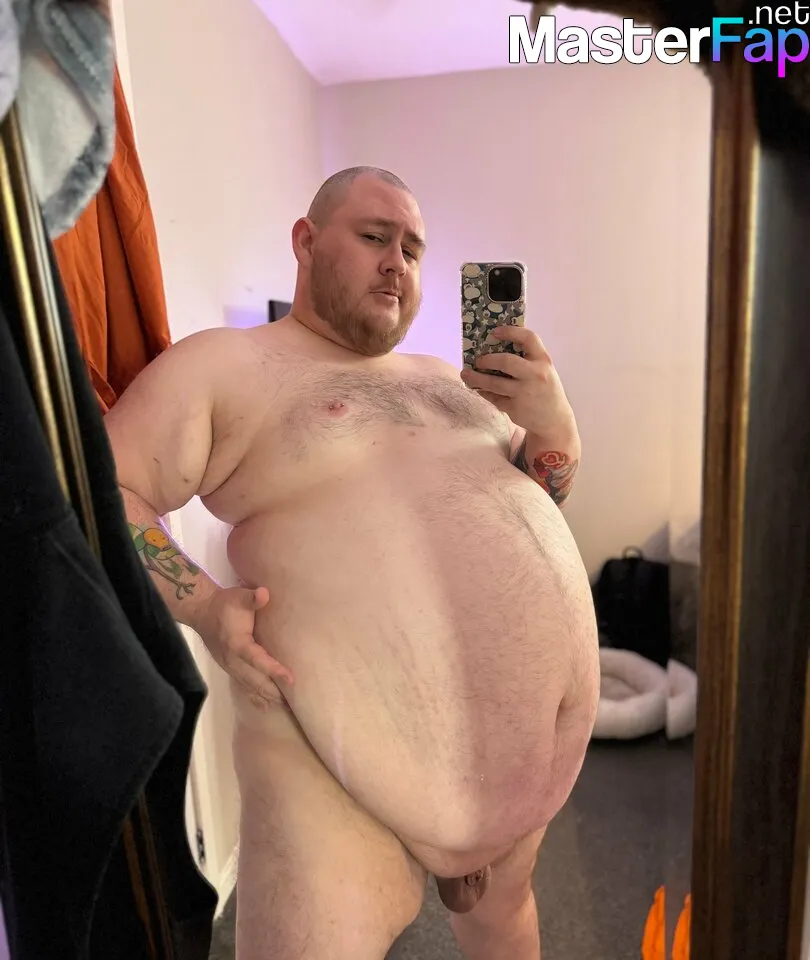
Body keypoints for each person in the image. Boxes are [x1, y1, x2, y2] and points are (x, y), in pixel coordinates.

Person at [104, 165, 601, 960]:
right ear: (305, 241)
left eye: (414, 248)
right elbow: (109, 491)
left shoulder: (447, 381)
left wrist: (553, 427)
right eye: (375, 237)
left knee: (506, 921)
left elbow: (540, 498)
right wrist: (201, 604)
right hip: (328, 763)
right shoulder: (229, 364)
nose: (397, 262)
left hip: (519, 778)